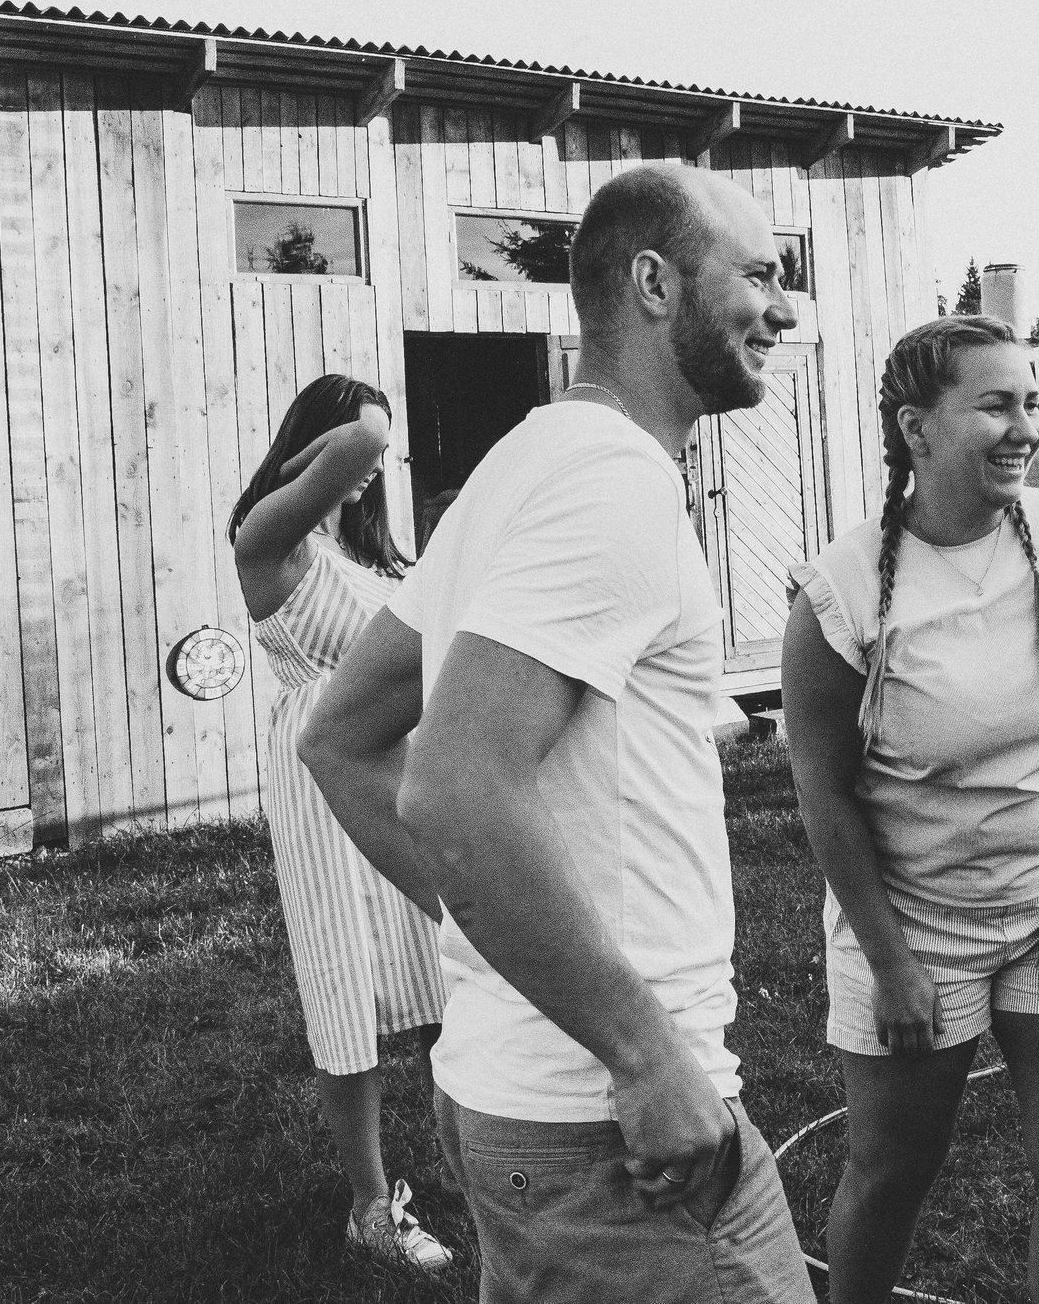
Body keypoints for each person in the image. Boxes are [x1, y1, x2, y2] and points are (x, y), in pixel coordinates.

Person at [295, 164, 815, 1304]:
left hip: (516, 1098)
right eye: (762, 275)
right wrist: (640, 1055)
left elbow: (342, 738)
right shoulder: (610, 483)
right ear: (654, 283)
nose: (785, 308)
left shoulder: (518, 465)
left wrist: (497, 925)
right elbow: (454, 788)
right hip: (610, 1132)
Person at [783, 316, 1039, 1304]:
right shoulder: (841, 593)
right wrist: (891, 962)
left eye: (1031, 401)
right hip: (910, 929)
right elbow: (824, 788)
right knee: (892, 1174)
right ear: (917, 426)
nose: (1025, 425)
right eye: (995, 404)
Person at [229, 373, 451, 1273]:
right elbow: (357, 442)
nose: (372, 466)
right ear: (312, 439)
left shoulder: (363, 559)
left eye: (386, 452)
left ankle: (483, 1154)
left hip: (401, 767)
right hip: (322, 780)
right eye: (364, 444)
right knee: (343, 975)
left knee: (451, 961)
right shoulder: (266, 544)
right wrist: (349, 437)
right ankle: (369, 1205)